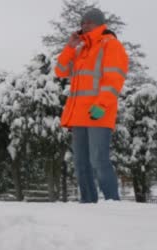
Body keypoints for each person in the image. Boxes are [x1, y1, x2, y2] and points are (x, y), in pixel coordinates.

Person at [55, 8, 129, 203]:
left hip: (98, 113)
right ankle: (88, 204)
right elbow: (61, 71)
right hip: (78, 116)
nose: (84, 25)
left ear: (99, 23)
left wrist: (102, 105)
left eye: (89, 22)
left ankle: (113, 202)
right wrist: (70, 47)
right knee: (81, 164)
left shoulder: (110, 45)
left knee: (98, 161)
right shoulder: (80, 49)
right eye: (82, 22)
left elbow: (113, 79)